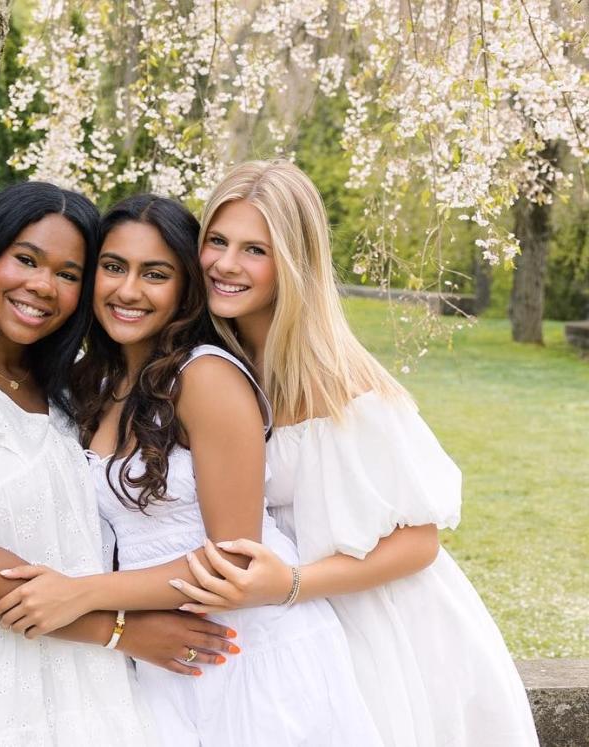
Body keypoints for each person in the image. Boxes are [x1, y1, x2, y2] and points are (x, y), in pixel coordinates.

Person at [0, 194, 381, 746]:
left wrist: (84, 594)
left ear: (185, 288)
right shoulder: (92, 384)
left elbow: (234, 560)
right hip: (165, 646)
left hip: (248, 647)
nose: (128, 291)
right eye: (114, 267)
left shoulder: (206, 378)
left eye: (156, 274)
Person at [0, 181, 236, 745]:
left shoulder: (68, 392)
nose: (41, 286)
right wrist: (118, 631)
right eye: (26, 260)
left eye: (68, 273)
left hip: (70, 671)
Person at [174, 160, 539, 746]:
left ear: (294, 263)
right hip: (285, 626)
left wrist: (290, 583)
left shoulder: (339, 384)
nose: (225, 264)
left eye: (254, 250)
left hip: (379, 624)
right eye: (216, 241)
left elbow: (420, 542)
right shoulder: (219, 363)